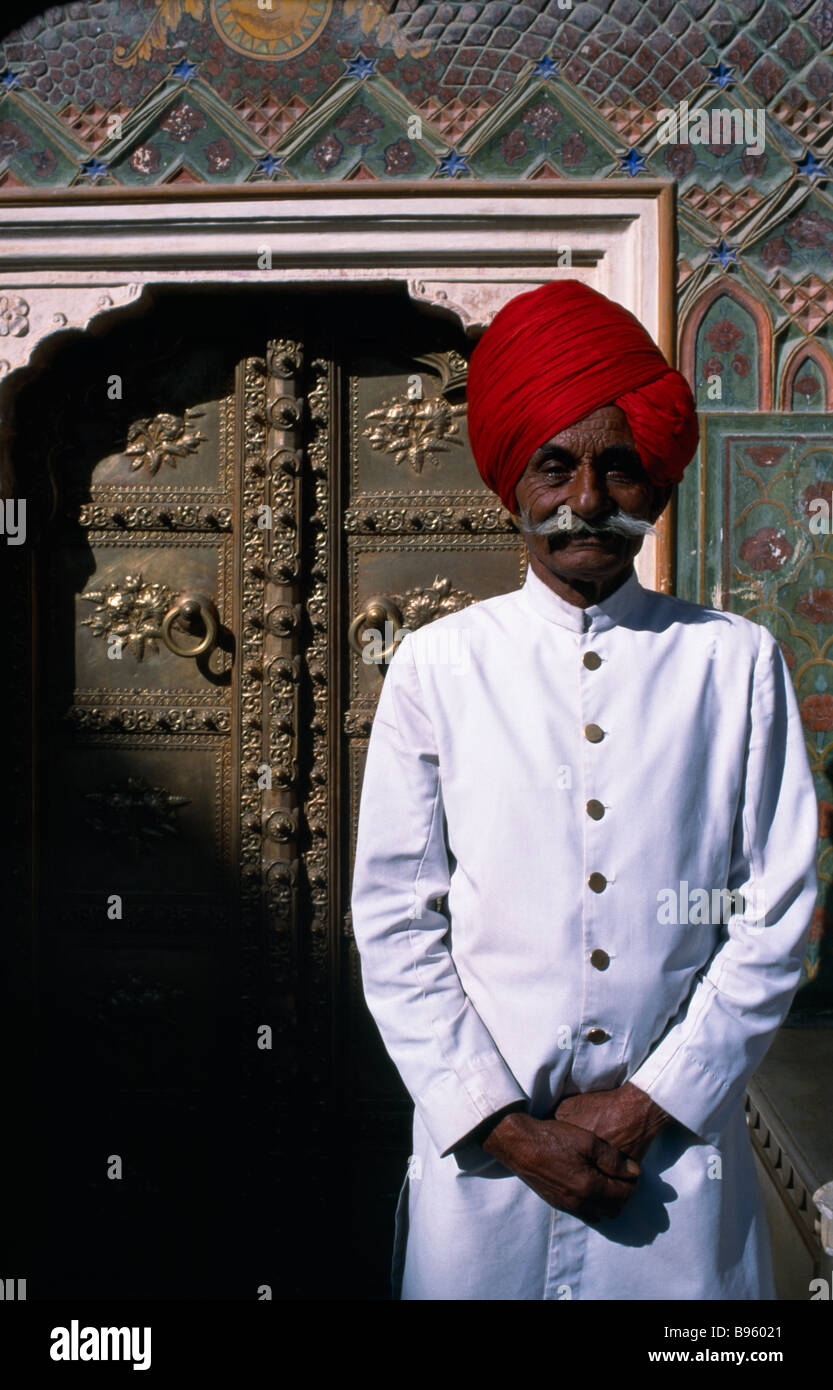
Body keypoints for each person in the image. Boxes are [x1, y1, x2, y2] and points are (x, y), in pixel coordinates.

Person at [349, 280, 818, 1301]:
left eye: (618, 468)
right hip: (484, 1168)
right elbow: (392, 920)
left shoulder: (732, 663)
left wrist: (655, 1098)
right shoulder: (437, 667)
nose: (587, 499)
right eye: (554, 466)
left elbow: (774, 915)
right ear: (511, 480)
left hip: (672, 1171)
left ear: (653, 483)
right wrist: (503, 1126)